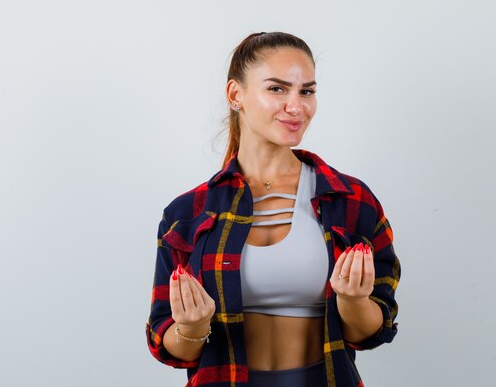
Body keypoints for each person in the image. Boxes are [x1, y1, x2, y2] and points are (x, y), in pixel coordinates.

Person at [147, 32, 400, 387]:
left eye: (306, 91)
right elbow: (171, 347)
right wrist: (191, 327)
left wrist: (353, 299)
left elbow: (372, 332)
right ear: (236, 95)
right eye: (277, 89)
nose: (296, 106)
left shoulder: (350, 200)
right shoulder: (187, 213)